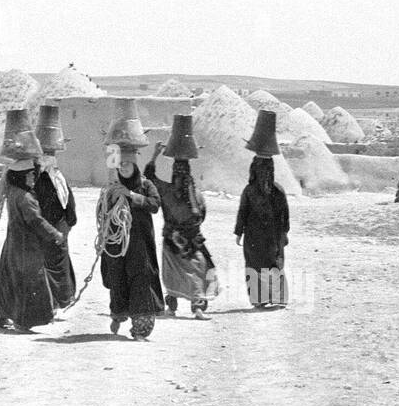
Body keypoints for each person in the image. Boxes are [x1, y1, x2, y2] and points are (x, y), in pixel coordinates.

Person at [99, 106, 164, 340]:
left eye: (127, 165)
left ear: (135, 166)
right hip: (117, 246)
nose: (123, 168)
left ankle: (140, 328)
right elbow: (104, 214)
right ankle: (118, 314)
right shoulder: (112, 189)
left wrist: (132, 196)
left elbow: (155, 205)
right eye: (120, 166)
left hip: (140, 245)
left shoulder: (146, 185)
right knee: (118, 279)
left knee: (142, 279)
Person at [145, 114, 219, 317]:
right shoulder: (194, 191)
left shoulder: (167, 189)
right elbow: (202, 213)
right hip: (191, 239)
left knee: (174, 272)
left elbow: (149, 178)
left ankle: (174, 306)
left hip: (173, 238)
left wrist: (154, 156)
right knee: (197, 269)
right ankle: (195, 306)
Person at [0, 119, 65, 332]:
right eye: (31, 174)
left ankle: (4, 314)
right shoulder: (25, 198)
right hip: (26, 247)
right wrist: (55, 234)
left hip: (13, 244)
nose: (34, 178)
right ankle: (24, 320)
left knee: (9, 279)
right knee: (28, 282)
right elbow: (35, 221)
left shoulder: (13, 193)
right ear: (23, 175)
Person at [235, 111, 290, 309]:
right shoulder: (275, 190)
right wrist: (283, 234)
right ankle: (272, 298)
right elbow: (285, 217)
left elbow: (244, 213)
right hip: (269, 237)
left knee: (260, 265)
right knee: (269, 265)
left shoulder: (252, 190)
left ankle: (263, 299)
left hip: (260, 237)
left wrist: (239, 233)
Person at [33, 104, 78, 315]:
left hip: (51, 229)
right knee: (53, 265)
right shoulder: (55, 179)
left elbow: (68, 203)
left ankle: (56, 301)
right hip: (52, 229)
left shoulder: (47, 179)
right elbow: (70, 205)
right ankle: (55, 301)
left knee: (53, 265)